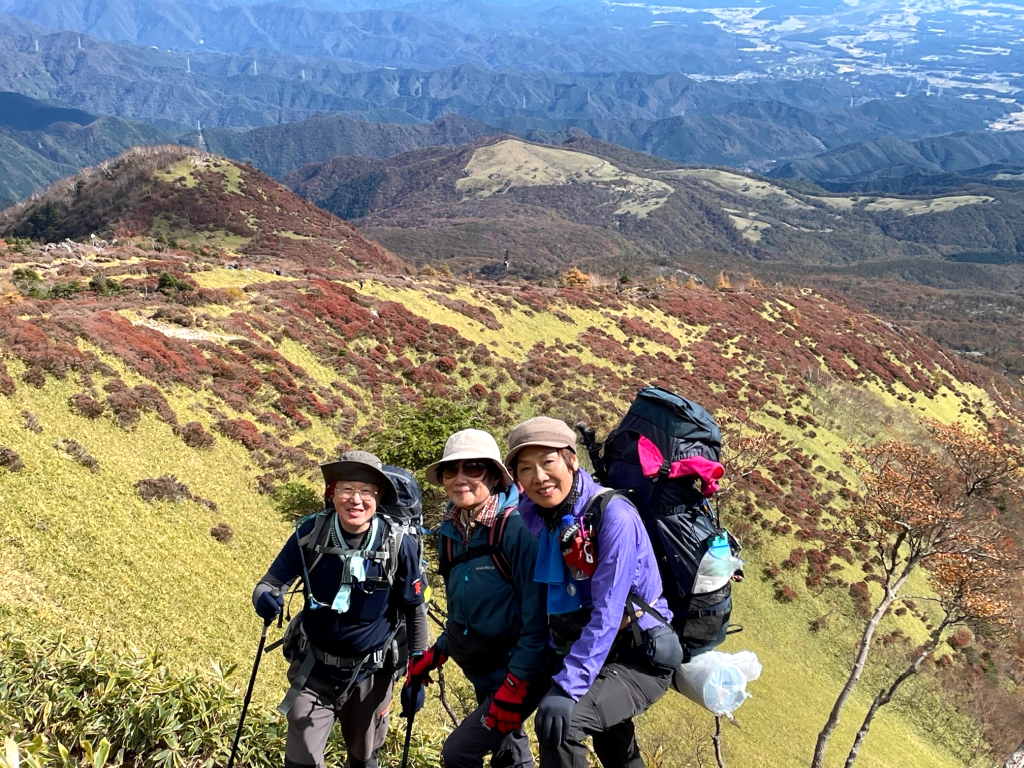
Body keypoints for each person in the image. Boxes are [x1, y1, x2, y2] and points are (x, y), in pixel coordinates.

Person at [504, 417, 683, 768]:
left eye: (548, 462)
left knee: (563, 725)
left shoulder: (613, 515)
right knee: (616, 749)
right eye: (525, 468)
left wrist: (568, 686)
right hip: (595, 652)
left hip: (637, 655)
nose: (538, 476)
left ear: (572, 459)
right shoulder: (544, 514)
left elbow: (609, 610)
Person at [252, 451, 428, 768]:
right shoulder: (309, 534)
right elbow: (270, 582)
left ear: (380, 496)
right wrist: (265, 597)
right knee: (300, 761)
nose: (356, 500)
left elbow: (415, 612)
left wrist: (418, 671)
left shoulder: (398, 544)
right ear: (332, 492)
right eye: (347, 489)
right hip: (313, 670)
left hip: (371, 674)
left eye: (366, 491)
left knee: (363, 761)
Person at [403, 429, 550, 768]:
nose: (460, 479)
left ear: (495, 475)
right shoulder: (451, 532)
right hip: (483, 672)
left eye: (473, 468)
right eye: (450, 470)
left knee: (459, 753)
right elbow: (462, 610)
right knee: (509, 755)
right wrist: (439, 652)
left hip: (516, 673)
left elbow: (538, 618)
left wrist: (515, 686)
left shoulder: (517, 530)